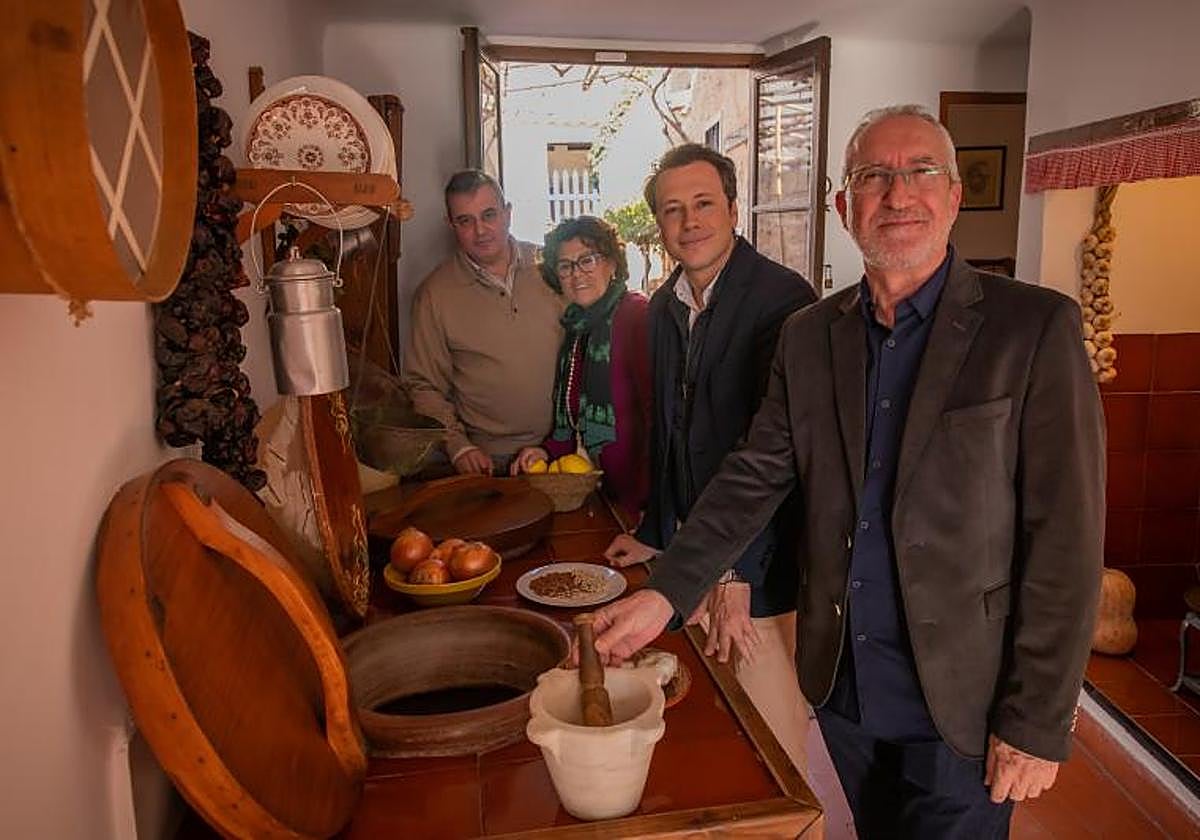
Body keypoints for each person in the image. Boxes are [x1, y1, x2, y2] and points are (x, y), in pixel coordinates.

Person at [591, 105, 1105, 839]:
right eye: (873, 177)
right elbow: (752, 477)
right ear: (843, 205)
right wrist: (667, 594)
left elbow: (1068, 542)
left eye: (920, 171)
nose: (898, 195)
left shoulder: (1033, 329)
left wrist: (1038, 719)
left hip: (965, 701)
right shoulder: (810, 337)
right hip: (847, 691)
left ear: (953, 195)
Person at [602, 143, 817, 771]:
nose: (689, 222)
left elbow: (778, 458)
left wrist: (738, 575)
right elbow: (673, 436)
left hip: (762, 575)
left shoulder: (785, 301)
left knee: (774, 755)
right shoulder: (667, 305)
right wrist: (657, 534)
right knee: (712, 746)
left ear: (732, 208)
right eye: (673, 210)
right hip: (696, 561)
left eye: (703, 204)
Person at [403, 170, 564, 475]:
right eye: (466, 221)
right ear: (451, 225)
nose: (481, 230)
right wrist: (458, 446)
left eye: (489, 214)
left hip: (559, 451)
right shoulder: (434, 295)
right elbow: (422, 385)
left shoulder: (551, 269)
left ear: (508, 213)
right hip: (489, 462)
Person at [510, 216, 652, 520]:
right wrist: (545, 453)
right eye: (565, 266)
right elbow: (570, 427)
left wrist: (650, 514)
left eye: (587, 260)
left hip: (641, 506)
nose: (577, 274)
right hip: (600, 498)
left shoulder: (637, 316)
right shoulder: (576, 328)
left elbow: (661, 423)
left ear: (612, 264)